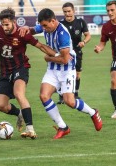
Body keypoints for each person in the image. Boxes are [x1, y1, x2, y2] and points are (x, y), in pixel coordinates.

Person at [0, 8, 56, 139]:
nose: (4, 27)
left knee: (18, 94)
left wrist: (58, 55)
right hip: (4, 71)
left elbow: (40, 46)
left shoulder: (23, 34)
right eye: (2, 24)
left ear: (13, 22)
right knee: (1, 105)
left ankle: (30, 129)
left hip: (20, 68)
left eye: (7, 24)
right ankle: (20, 113)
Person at [26, 8, 102, 139]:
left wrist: (48, 58)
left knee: (70, 102)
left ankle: (92, 112)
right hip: (52, 69)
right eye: (42, 25)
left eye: (45, 25)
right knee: (44, 96)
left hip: (66, 70)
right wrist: (25, 29)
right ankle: (63, 127)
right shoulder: (45, 27)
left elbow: (65, 59)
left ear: (53, 21)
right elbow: (33, 30)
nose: (43, 28)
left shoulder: (63, 34)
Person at [57, 2, 91, 104]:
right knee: (62, 74)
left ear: (74, 11)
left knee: (77, 74)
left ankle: (75, 94)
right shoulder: (60, 24)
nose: (67, 14)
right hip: (64, 53)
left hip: (77, 52)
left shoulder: (80, 22)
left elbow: (88, 35)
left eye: (69, 11)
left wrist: (83, 42)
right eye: (65, 12)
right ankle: (61, 96)